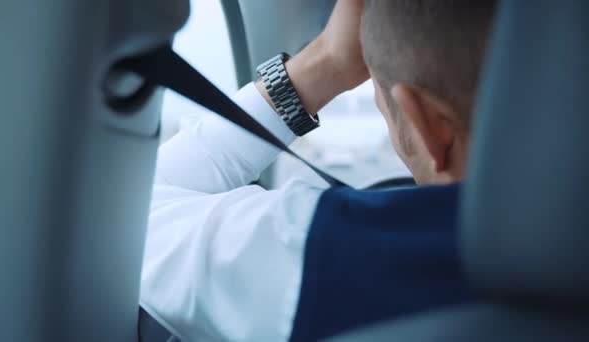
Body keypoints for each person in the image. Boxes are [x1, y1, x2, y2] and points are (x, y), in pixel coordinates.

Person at [139, 0, 496, 341]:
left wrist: (327, 61)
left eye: (379, 95)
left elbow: (126, 223)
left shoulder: (338, 253)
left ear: (433, 127)